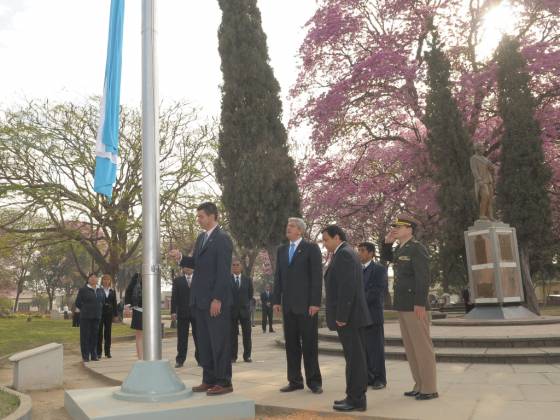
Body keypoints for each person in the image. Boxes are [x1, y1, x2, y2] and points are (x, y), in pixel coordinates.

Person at [170, 202, 233, 396]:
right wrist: (181, 257)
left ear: (213, 216)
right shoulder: (201, 238)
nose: (198, 220)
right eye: (197, 217)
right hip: (198, 301)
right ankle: (209, 380)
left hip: (214, 302)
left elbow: (223, 272)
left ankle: (224, 382)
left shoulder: (222, 239)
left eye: (201, 216)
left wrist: (217, 298)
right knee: (204, 343)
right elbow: (196, 263)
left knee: (218, 342)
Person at [381, 214, 438, 401]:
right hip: (403, 305)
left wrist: (420, 303)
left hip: (416, 306)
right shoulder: (400, 248)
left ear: (410, 229)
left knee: (422, 348)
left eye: (400, 226)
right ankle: (419, 385)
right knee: (411, 349)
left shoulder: (417, 249)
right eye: (394, 226)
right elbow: (387, 260)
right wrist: (387, 244)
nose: (395, 229)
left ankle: (429, 388)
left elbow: (423, 277)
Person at [322, 225, 371, 412]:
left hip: (350, 317)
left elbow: (347, 288)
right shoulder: (345, 253)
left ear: (337, 237)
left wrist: (341, 315)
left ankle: (357, 399)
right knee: (353, 358)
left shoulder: (344, 254)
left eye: (326, 240)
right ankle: (353, 396)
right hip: (351, 316)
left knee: (355, 359)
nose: (325, 244)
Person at [273, 217, 323, 394]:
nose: (288, 228)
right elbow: (278, 276)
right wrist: (276, 300)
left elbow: (317, 277)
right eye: (287, 225)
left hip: (307, 306)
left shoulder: (311, 249)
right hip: (288, 307)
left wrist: (315, 302)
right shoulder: (281, 250)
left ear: (300, 231)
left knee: (309, 344)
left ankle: (314, 381)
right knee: (291, 345)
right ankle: (294, 381)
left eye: (292, 226)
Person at [358, 241, 388, 390]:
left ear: (371, 253)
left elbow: (376, 292)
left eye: (362, 251)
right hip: (360, 316)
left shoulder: (379, 269)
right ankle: (369, 377)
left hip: (373, 315)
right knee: (364, 349)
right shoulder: (357, 270)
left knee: (376, 349)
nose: (359, 253)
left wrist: (359, 302)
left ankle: (379, 379)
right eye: (359, 250)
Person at [171, 256, 199, 368]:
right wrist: (173, 312)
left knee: (199, 337)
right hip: (182, 313)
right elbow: (174, 298)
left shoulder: (199, 279)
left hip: (197, 313)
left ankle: (201, 359)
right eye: (185, 267)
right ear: (182, 268)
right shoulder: (178, 281)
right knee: (182, 338)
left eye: (189, 266)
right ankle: (180, 360)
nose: (187, 268)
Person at [75, 273, 105, 362]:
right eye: (91, 277)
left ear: (97, 279)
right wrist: (85, 309)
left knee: (95, 336)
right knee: (85, 336)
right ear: (88, 279)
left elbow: (102, 301)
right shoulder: (83, 290)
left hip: (97, 316)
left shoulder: (100, 290)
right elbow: (78, 303)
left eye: (95, 277)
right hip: (86, 317)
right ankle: (85, 356)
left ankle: (94, 355)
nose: (93, 279)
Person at [230, 259, 254, 363]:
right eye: (233, 265)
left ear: (241, 267)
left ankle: (247, 356)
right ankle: (233, 357)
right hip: (232, 311)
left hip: (245, 311)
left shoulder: (247, 280)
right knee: (232, 336)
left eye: (237, 265)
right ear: (231, 267)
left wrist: (246, 305)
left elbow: (250, 295)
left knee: (247, 335)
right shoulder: (227, 279)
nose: (235, 266)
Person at [97, 274, 118, 359]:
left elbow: (114, 303)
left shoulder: (112, 291)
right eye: (104, 280)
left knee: (108, 333)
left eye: (108, 280)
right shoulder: (98, 290)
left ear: (110, 281)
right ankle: (98, 353)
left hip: (109, 314)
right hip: (100, 313)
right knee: (99, 333)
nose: (106, 281)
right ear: (102, 281)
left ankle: (107, 352)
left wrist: (115, 315)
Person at [124, 272, 143, 360]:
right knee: (139, 334)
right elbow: (129, 291)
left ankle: (150, 355)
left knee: (150, 334)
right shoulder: (137, 276)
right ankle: (140, 357)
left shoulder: (154, 274)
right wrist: (127, 306)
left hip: (151, 311)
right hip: (138, 309)